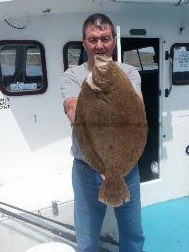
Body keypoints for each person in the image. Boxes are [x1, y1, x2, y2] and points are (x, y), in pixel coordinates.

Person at [61, 13, 145, 252]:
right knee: (86, 240)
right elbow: (72, 108)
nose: (99, 45)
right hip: (86, 169)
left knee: (133, 234)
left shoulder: (128, 72)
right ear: (84, 42)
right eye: (93, 39)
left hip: (125, 169)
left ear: (114, 41)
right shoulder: (72, 76)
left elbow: (137, 108)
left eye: (105, 38)